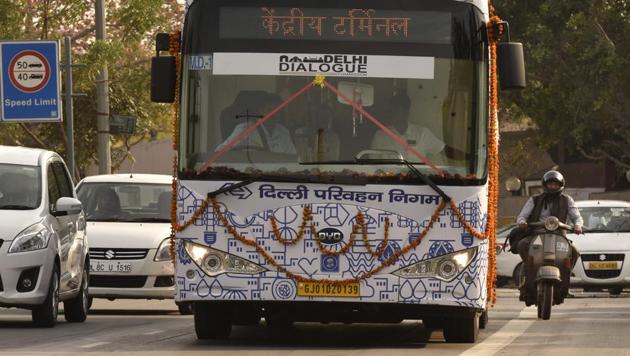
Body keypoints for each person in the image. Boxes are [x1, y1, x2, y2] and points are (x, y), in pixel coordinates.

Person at [513, 170, 583, 299]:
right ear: (545, 185)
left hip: (559, 235)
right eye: (550, 184)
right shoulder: (535, 199)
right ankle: (527, 270)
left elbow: (576, 216)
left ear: (561, 185)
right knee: (522, 245)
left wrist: (578, 225)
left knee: (574, 251)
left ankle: (565, 278)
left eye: (556, 184)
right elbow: (522, 215)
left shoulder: (567, 200)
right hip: (536, 233)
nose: (553, 187)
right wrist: (522, 222)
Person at [370, 94, 445, 162]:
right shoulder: (380, 136)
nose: (395, 113)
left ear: (407, 111)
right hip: (390, 176)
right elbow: (373, 164)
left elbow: (443, 150)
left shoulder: (422, 133)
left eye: (399, 109)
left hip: (416, 176)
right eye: (393, 110)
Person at [216, 91, 296, 155]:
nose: (274, 115)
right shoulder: (245, 129)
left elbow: (293, 158)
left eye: (278, 111)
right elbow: (220, 151)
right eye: (270, 110)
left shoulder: (284, 132)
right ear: (260, 111)